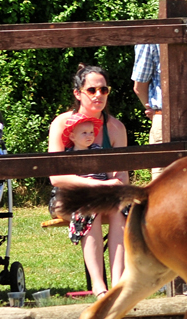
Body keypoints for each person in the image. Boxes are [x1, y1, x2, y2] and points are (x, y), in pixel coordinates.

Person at [49, 64, 128, 298]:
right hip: (68, 196)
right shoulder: (62, 123)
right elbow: (56, 178)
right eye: (92, 90)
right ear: (78, 93)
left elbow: (121, 174)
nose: (98, 95)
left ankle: (120, 284)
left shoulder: (115, 128)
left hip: (107, 194)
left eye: (104, 90)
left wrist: (112, 186)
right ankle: (98, 286)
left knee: (120, 208)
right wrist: (100, 185)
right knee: (89, 207)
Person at [131, 0, 187, 179]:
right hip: (168, 124)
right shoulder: (153, 34)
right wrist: (154, 109)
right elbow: (139, 85)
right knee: (164, 186)